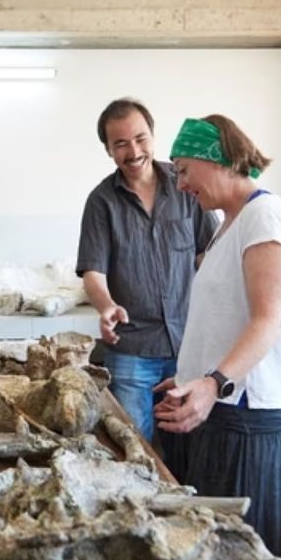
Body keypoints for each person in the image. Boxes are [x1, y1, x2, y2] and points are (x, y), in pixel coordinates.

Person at [154, 115, 281, 560]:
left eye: (183, 170)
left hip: (249, 424)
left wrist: (213, 381)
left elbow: (269, 319)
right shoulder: (230, 224)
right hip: (222, 414)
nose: (180, 184)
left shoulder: (266, 216)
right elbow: (224, 316)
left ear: (215, 157)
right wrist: (185, 377)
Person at [76, 97, 218, 459]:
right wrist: (106, 306)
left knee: (193, 447)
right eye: (120, 143)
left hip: (190, 344)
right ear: (108, 150)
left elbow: (209, 255)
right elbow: (94, 269)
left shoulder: (186, 185)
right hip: (132, 351)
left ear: (153, 137)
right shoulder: (101, 202)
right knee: (134, 448)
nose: (133, 150)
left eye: (140, 138)